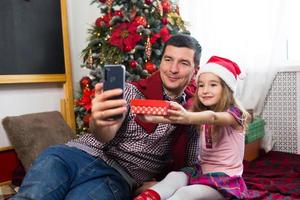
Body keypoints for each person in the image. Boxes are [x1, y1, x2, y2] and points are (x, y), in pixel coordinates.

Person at [11, 34, 202, 200]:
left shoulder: (193, 115)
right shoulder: (129, 91)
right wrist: (100, 122)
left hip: (117, 176)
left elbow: (191, 165)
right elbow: (104, 133)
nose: (173, 69)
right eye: (168, 59)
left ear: (196, 69)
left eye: (183, 63)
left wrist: (163, 185)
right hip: (74, 155)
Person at [134, 56, 250, 200]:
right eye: (201, 85)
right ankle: (149, 197)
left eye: (213, 85)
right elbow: (174, 118)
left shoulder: (234, 115)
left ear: (226, 88)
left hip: (224, 181)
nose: (205, 90)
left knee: (186, 193)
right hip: (200, 173)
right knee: (174, 176)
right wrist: (148, 118)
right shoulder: (199, 114)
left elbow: (213, 117)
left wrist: (187, 117)